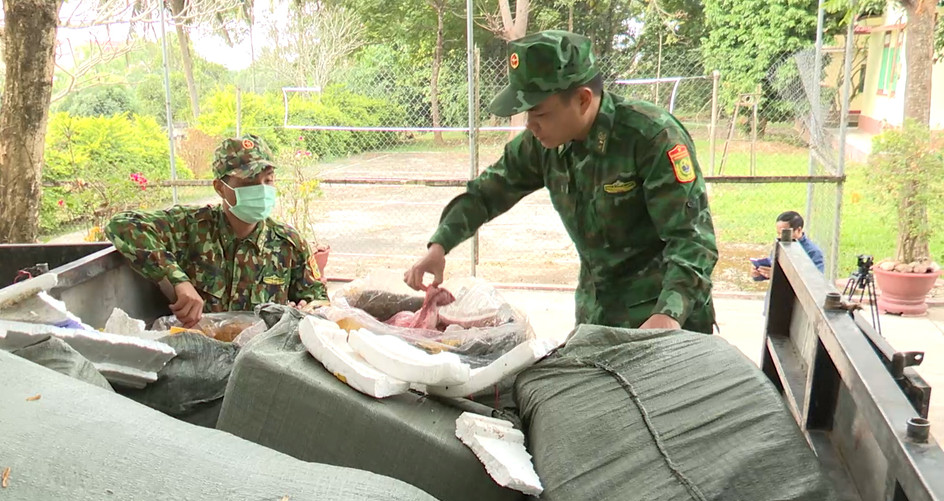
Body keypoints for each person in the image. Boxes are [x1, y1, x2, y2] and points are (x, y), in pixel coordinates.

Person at [404, 31, 718, 333]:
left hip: (665, 321)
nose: (531, 125)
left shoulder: (650, 136)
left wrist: (668, 315)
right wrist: (440, 245)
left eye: (540, 113)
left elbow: (692, 240)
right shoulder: (543, 144)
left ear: (582, 99)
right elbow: (486, 193)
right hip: (597, 318)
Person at [105, 134, 328, 327]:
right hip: (199, 356)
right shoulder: (190, 228)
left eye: (267, 180)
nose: (261, 190)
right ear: (220, 187)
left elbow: (319, 299)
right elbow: (122, 225)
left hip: (261, 361)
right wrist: (177, 281)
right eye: (249, 181)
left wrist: (307, 310)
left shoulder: (288, 243)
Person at [751, 211, 824, 280]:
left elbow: (815, 280)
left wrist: (777, 276)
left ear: (798, 230)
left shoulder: (813, 252)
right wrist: (759, 273)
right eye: (778, 233)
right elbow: (771, 268)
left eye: (784, 233)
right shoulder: (780, 244)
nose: (780, 237)